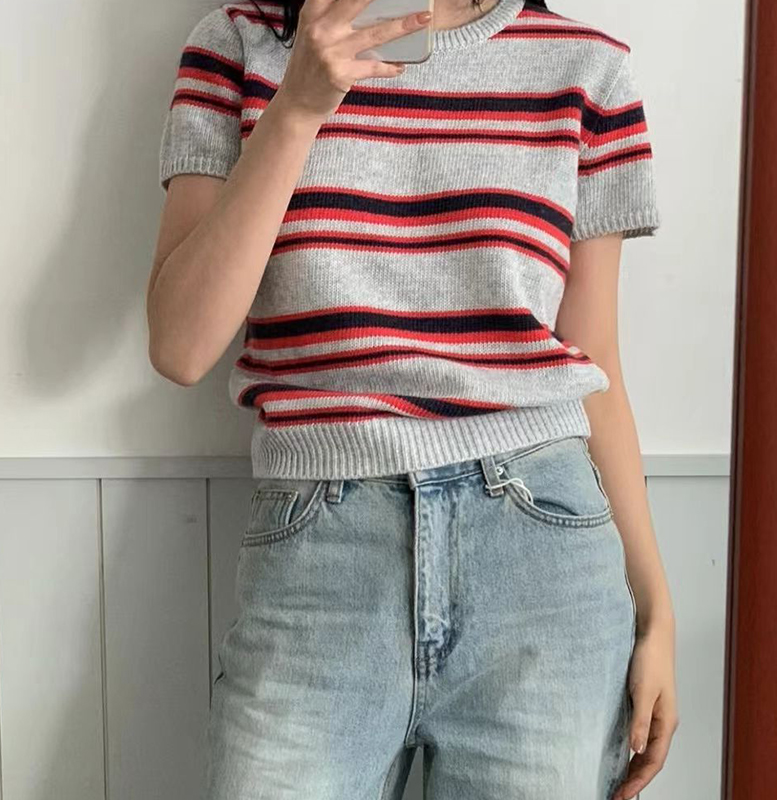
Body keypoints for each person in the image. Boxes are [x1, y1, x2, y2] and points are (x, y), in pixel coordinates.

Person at [147, 0, 678, 796]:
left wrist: (656, 611)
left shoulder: (585, 67)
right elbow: (181, 346)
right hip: (318, 552)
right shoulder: (239, 45)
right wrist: (298, 106)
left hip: (543, 555)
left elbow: (595, 360)